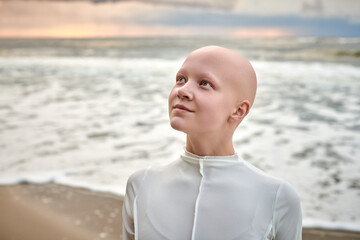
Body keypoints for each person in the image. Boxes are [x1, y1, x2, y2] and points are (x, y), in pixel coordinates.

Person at [122, 46, 302, 240]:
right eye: (181, 79)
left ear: (239, 111)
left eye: (204, 83)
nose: (183, 90)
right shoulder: (141, 186)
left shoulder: (277, 199)